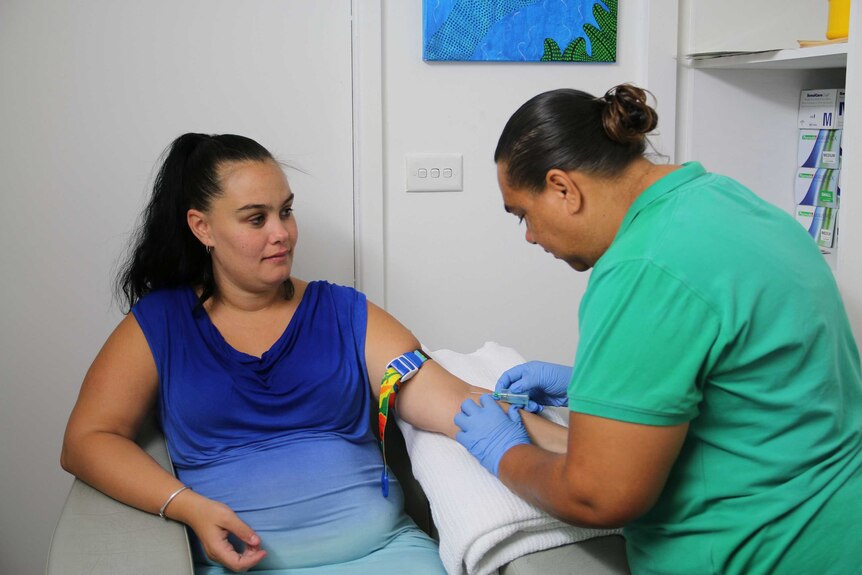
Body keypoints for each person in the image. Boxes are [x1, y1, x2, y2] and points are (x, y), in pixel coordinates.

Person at [60, 133, 561, 574]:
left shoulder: (343, 312)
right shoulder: (160, 324)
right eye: (256, 218)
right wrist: (186, 506)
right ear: (203, 228)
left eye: (286, 210)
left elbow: (456, 403)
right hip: (241, 566)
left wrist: (584, 448)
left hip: (384, 557)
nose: (281, 232)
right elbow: (87, 439)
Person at [453, 84, 862, 574]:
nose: (531, 236)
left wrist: (505, 452)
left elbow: (597, 497)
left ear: (563, 187)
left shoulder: (642, 267)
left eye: (523, 214)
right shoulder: (725, 200)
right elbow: (748, 368)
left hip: (764, 550)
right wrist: (599, 389)